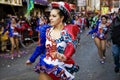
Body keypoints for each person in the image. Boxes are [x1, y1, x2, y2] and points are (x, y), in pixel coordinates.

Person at [26, 2, 79, 80]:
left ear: (62, 18)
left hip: (62, 66)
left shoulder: (68, 30)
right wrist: (31, 59)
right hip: (47, 63)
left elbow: (72, 45)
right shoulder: (46, 30)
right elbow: (40, 46)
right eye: (50, 15)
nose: (50, 18)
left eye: (54, 16)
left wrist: (66, 56)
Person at [107, 8, 120, 73]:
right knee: (115, 54)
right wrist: (108, 40)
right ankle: (117, 65)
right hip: (116, 42)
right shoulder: (115, 20)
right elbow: (110, 30)